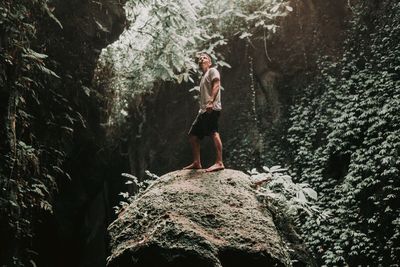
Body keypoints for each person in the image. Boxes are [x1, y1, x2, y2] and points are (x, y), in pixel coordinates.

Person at [183, 52, 225, 172]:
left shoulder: (212, 71)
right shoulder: (203, 76)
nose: (202, 59)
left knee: (213, 133)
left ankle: (219, 162)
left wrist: (211, 101)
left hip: (212, 108)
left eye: (205, 57)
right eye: (200, 58)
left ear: (210, 62)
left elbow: (217, 84)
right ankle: (197, 162)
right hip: (203, 111)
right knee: (193, 135)